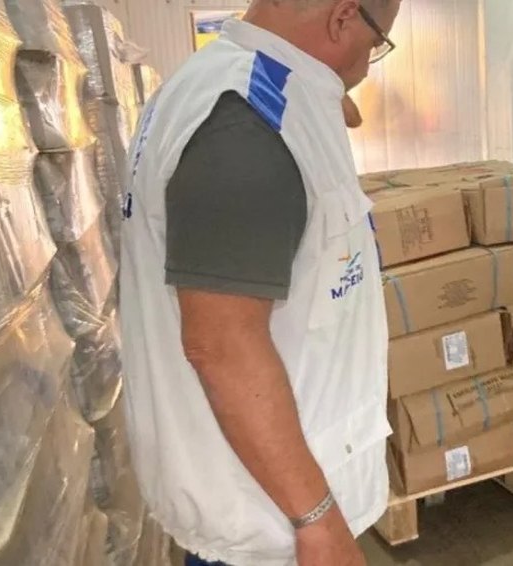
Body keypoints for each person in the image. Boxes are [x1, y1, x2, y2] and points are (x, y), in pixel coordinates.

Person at [118, 1, 401, 565]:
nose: (368, 64)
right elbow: (222, 346)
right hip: (268, 526)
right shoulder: (246, 126)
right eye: (376, 43)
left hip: (263, 500)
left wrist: (321, 97)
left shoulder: (231, 87)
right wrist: (318, 521)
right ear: (342, 18)